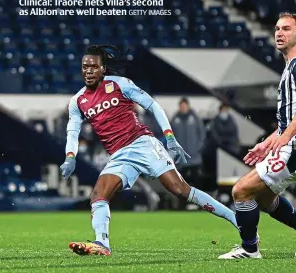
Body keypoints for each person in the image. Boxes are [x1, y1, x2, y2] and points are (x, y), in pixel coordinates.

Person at [61, 45, 239, 256]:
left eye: (93, 67)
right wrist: (70, 156)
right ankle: (102, 244)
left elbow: (153, 106)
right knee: (98, 194)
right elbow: (73, 131)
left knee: (180, 190)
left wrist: (169, 136)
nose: (88, 71)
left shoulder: (120, 84)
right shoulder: (78, 101)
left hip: (142, 143)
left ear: (103, 69)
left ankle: (238, 220)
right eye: (85, 67)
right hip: (119, 155)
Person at [218, 12, 296, 260]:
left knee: (241, 190)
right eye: (277, 28)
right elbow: (290, 118)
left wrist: (286, 138)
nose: (279, 33)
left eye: (286, 29)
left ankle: (249, 249)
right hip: (294, 147)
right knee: (265, 198)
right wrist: (267, 143)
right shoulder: (293, 66)